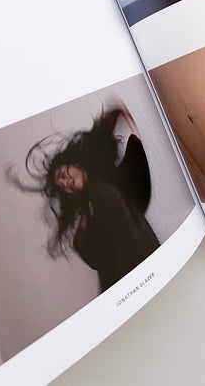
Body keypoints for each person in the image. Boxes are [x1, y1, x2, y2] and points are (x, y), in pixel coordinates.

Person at [20, 108, 160, 292]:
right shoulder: (86, 211)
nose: (65, 183)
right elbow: (95, 260)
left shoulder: (103, 178)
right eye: (62, 186)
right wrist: (82, 233)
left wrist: (128, 117)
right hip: (118, 279)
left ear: (74, 163)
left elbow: (109, 118)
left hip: (144, 257)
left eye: (62, 175)